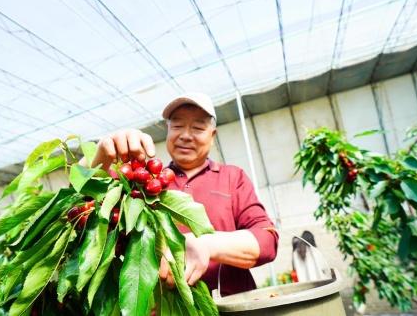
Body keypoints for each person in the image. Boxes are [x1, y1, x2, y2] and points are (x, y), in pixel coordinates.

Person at [88, 92, 278, 296]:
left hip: (234, 306)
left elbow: (267, 240)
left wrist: (205, 245)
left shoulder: (232, 177)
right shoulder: (145, 183)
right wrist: (102, 158)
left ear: (212, 136)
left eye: (197, 127)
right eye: (177, 126)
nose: (186, 135)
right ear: (167, 130)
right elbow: (92, 213)